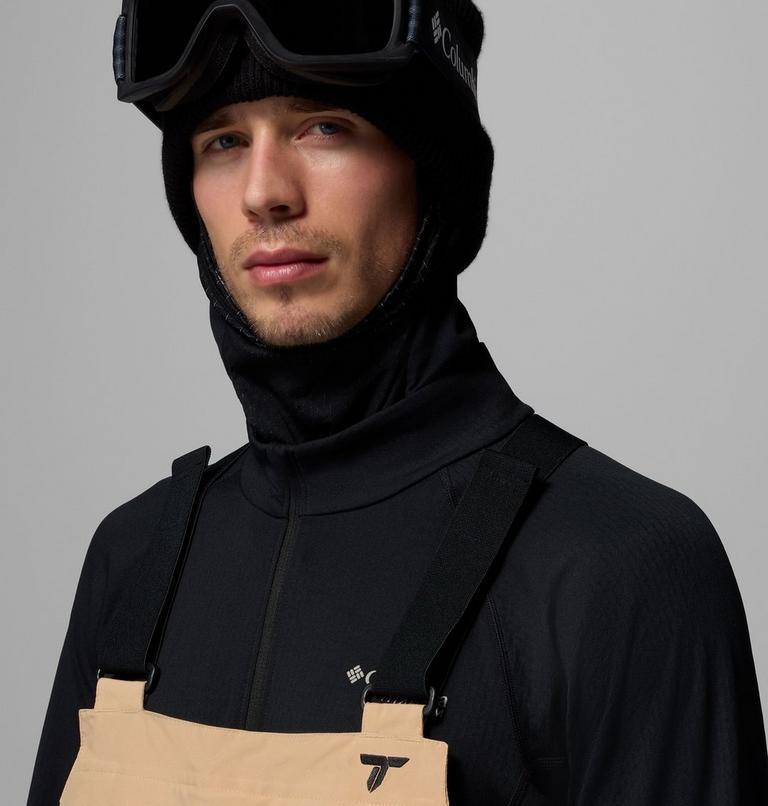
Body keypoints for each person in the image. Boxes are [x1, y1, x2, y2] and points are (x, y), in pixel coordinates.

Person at [27, 1, 768, 803]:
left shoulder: (618, 565)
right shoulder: (134, 559)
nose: (264, 193)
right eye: (223, 141)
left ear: (431, 170)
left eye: (325, 128)